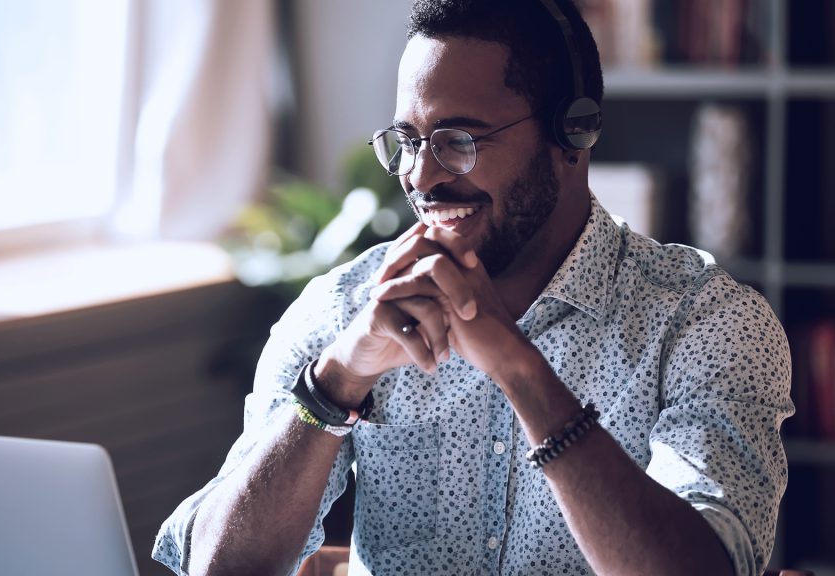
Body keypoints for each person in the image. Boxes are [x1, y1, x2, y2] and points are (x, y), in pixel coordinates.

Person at [153, 0, 794, 574]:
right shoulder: (343, 309)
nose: (421, 177)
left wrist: (519, 368)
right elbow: (216, 568)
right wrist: (336, 382)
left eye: (458, 140)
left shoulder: (707, 323)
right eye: (407, 140)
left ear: (572, 133)